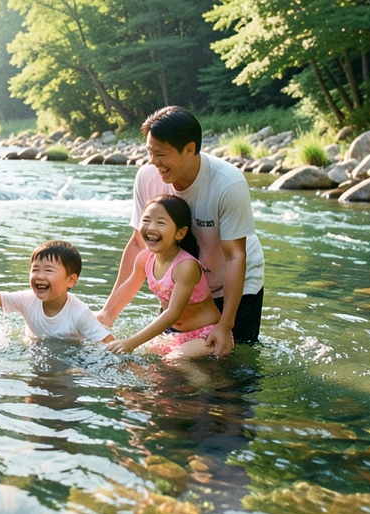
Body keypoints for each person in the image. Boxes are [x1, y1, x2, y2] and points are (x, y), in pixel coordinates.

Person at [97, 107, 265, 356]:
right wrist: (107, 313)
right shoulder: (147, 176)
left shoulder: (228, 183)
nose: (153, 161)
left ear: (189, 149)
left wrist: (225, 324)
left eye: (161, 154)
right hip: (180, 283)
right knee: (167, 363)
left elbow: (235, 256)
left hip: (232, 282)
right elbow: (138, 245)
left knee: (234, 362)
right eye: (149, 152)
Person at [105, 195, 221, 356]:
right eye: (146, 220)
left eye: (160, 223)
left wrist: (131, 342)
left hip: (205, 334)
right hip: (172, 334)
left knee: (173, 360)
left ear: (180, 233)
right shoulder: (145, 259)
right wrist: (105, 316)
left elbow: (173, 313)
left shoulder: (185, 266)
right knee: (135, 357)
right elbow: (127, 289)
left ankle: (213, 374)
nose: (151, 227)